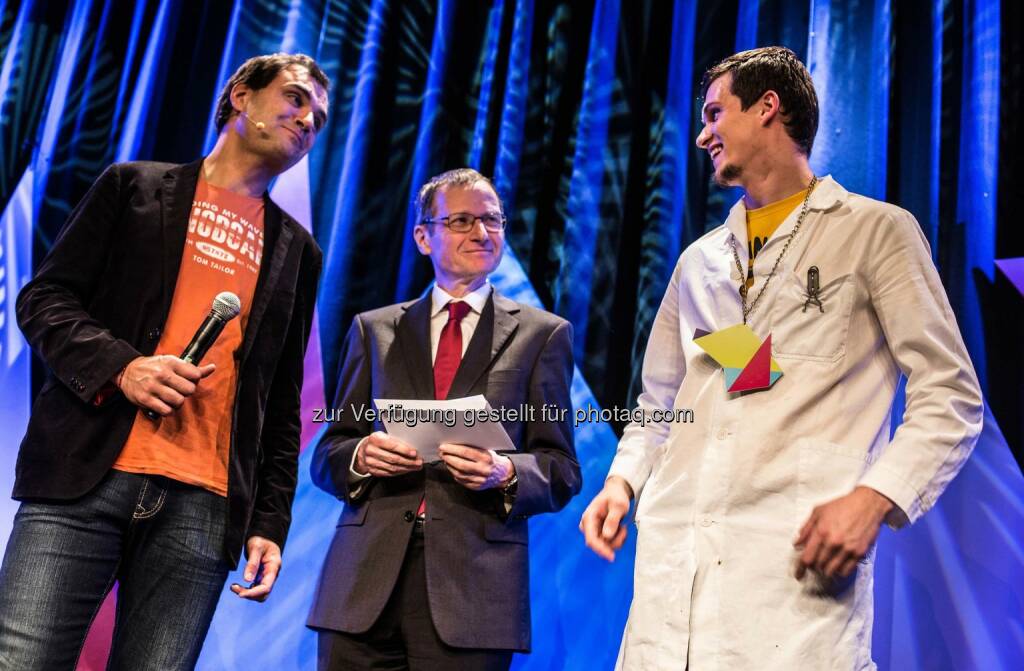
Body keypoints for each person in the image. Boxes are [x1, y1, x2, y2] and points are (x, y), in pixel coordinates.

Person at [580, 46, 982, 669]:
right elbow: (659, 404)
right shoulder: (701, 262)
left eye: (715, 113)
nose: (701, 133)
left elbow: (949, 395)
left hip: (789, 584)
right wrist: (621, 481)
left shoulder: (873, 231)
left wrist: (874, 498)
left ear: (768, 107)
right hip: (674, 582)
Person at [0, 53, 328, 670]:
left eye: (319, 116)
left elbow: (280, 405)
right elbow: (43, 299)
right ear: (240, 95)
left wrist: (269, 523)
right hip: (85, 474)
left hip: (204, 506)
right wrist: (123, 367)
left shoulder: (299, 252)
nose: (308, 119)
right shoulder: (134, 187)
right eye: (295, 98)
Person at [308, 168, 581, 671]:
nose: (481, 232)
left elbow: (561, 469)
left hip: (473, 592)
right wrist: (361, 456)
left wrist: (507, 473)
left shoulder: (543, 335)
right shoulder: (374, 329)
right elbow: (328, 455)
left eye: (492, 219)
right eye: (460, 220)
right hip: (364, 585)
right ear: (423, 237)